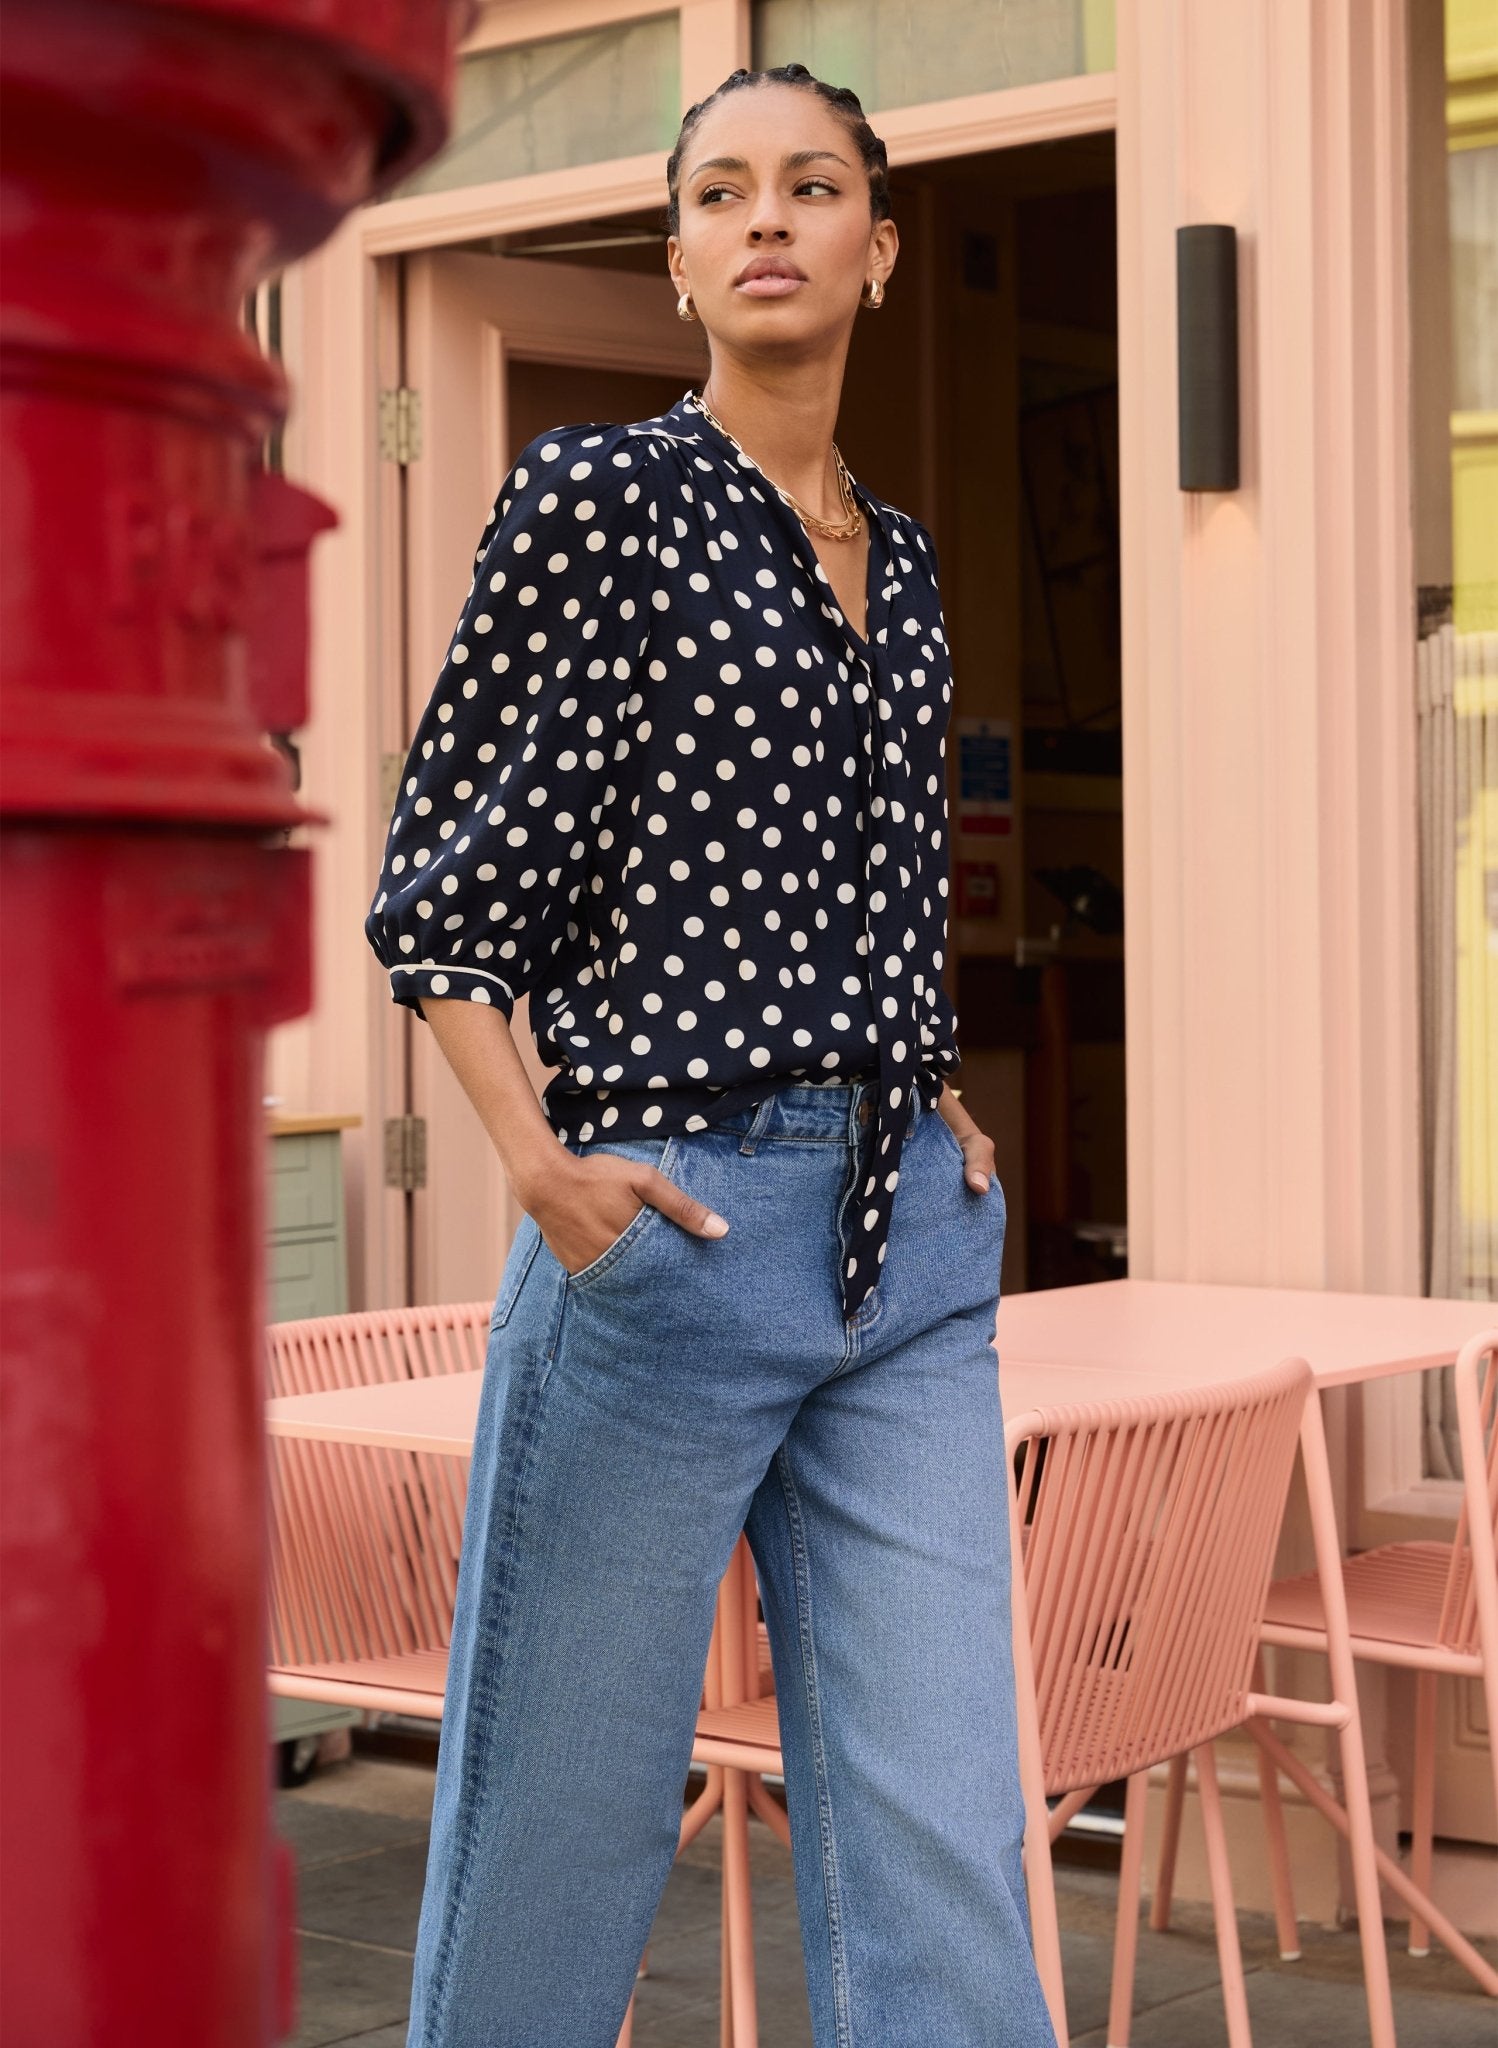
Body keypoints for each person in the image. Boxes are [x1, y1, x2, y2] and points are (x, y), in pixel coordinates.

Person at [365, 59, 1057, 2048]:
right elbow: (445, 889)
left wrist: (917, 1076)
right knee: (559, 1831)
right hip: (663, 1224)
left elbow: (875, 874)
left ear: (878, 250)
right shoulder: (597, 504)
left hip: (904, 1252)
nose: (768, 218)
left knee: (938, 1830)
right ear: (674, 260)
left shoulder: (904, 568)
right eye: (724, 192)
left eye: (812, 185)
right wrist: (536, 1165)